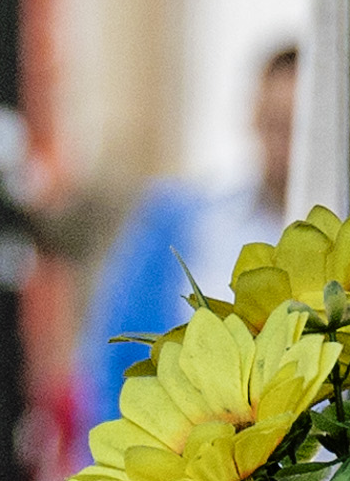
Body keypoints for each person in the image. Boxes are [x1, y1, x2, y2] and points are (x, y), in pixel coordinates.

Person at [83, 37, 300, 418]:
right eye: (275, 124)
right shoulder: (180, 223)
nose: (284, 145)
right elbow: (116, 361)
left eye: (297, 128)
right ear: (253, 117)